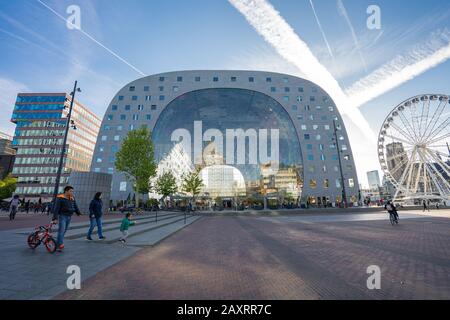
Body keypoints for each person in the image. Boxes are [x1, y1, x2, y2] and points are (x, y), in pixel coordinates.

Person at [52, 186, 81, 252]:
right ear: (66, 191)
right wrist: (55, 218)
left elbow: (75, 205)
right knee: (61, 231)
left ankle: (58, 243)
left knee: (64, 231)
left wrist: (78, 212)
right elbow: (56, 209)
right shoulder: (60, 198)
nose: (72, 192)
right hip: (62, 216)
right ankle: (60, 245)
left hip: (69, 216)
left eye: (72, 191)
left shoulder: (72, 198)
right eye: (71, 191)